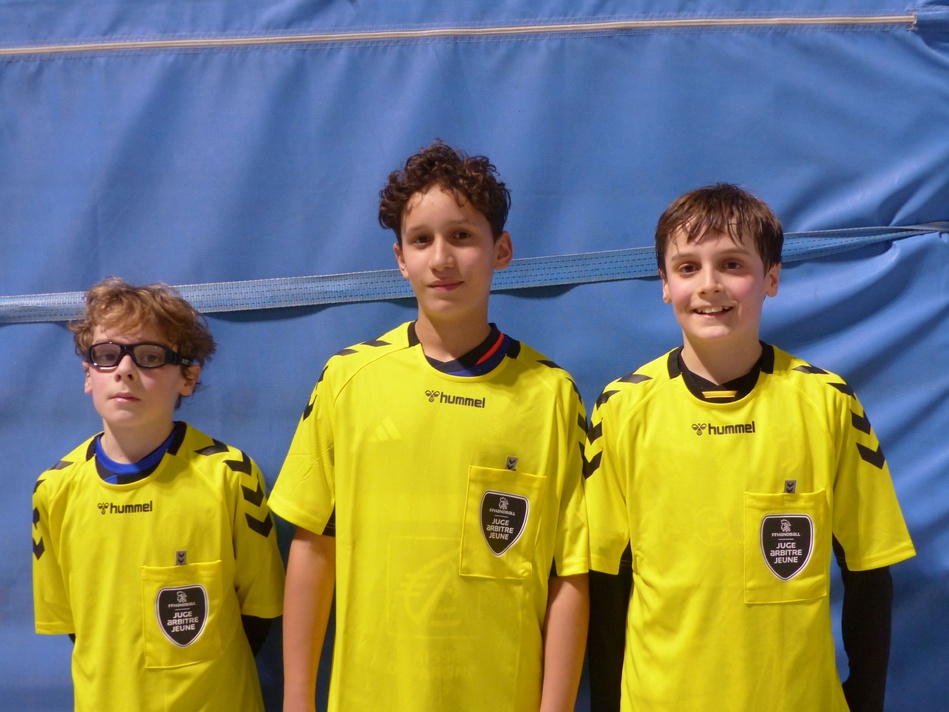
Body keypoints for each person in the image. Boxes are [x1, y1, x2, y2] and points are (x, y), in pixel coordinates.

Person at [269, 140, 589, 712]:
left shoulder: (551, 396)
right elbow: (314, 546)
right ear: (400, 258)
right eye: (422, 240)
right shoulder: (349, 380)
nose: (441, 258)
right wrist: (297, 701)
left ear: (502, 250)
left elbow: (569, 575)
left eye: (462, 236)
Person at [585, 184, 916, 712]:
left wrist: (866, 698)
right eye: (687, 267)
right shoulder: (623, 408)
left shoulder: (826, 403)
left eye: (732, 265)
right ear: (665, 285)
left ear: (773, 278)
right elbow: (604, 580)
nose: (709, 285)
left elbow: (868, 569)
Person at [32, 277, 285, 712]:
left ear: (188, 377)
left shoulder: (231, 477)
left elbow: (258, 616)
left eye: (149, 357)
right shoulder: (54, 490)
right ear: (88, 375)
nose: (125, 370)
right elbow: (79, 627)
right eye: (107, 356)